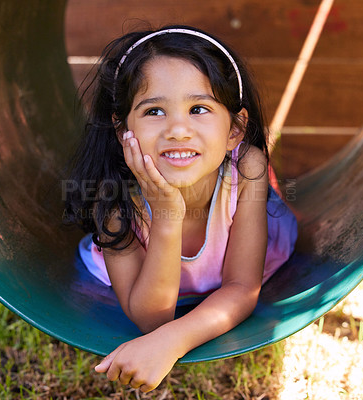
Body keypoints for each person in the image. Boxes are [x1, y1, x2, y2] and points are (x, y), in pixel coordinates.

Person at [64, 25, 297, 393]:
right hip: (150, 272)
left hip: (241, 244)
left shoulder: (245, 166)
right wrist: (167, 214)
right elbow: (150, 318)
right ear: (123, 127)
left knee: (278, 213)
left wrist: (174, 341)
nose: (177, 130)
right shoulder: (113, 199)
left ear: (235, 128)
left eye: (198, 109)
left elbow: (241, 287)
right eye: (154, 110)